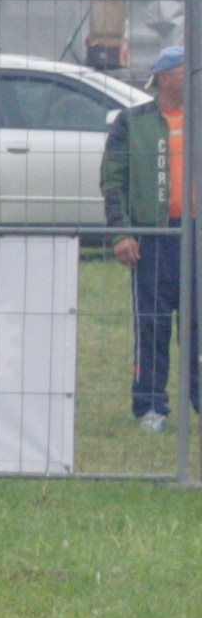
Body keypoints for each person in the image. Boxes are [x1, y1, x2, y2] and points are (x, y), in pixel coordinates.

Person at [104, 45, 192, 431]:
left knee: (197, 325)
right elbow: (113, 180)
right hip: (155, 236)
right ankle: (151, 406)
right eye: (189, 71)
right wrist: (122, 232)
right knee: (153, 324)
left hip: (196, 236)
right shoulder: (132, 121)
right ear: (166, 77)